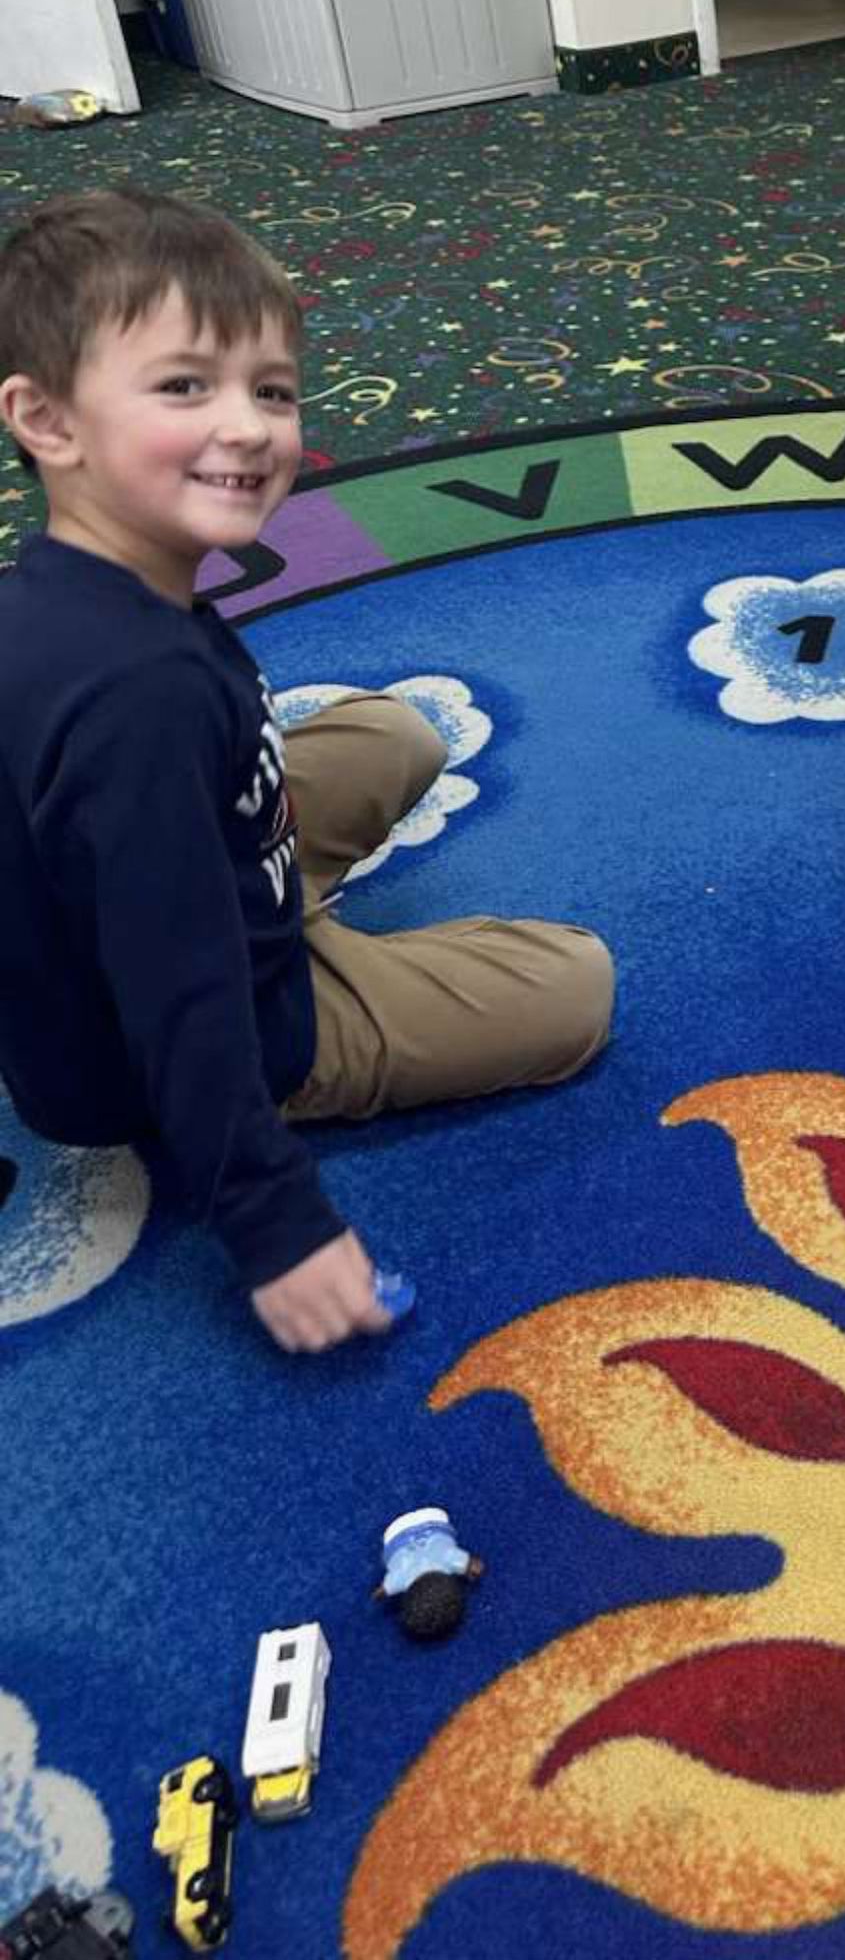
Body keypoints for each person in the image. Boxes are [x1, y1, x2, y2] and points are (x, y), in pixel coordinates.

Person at [0, 190, 614, 1354]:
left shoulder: (69, 601)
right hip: (189, 1026)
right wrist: (274, 1223)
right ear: (47, 420)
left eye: (271, 390)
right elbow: (176, 989)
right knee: (577, 986)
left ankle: (288, 905)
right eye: (185, 386)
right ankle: (310, 985)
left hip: (149, 911)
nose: (249, 427)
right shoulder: (140, 695)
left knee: (396, 735)